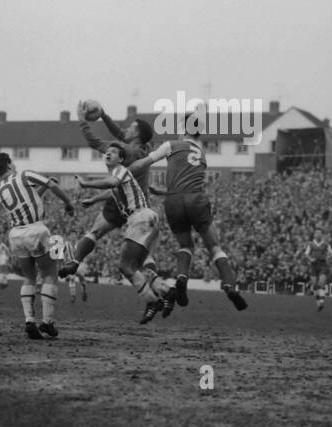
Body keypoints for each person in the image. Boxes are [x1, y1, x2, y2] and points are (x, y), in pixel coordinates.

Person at [127, 136, 247, 311]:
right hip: (196, 199)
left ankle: (182, 278)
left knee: (185, 245)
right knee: (214, 247)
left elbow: (144, 163)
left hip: (173, 201)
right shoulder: (202, 154)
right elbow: (191, 182)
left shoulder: (172, 145)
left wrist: (123, 174)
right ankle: (229, 286)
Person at [59, 102, 160, 280]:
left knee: (95, 232)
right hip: (141, 206)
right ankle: (159, 288)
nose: (125, 130)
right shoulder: (143, 149)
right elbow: (121, 134)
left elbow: (94, 142)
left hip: (120, 203)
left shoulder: (125, 151)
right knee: (143, 255)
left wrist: (82, 120)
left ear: (136, 134)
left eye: (130, 128)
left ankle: (75, 261)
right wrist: (104, 115)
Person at [76, 141, 174, 324]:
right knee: (137, 265)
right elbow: (112, 191)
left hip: (140, 218)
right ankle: (167, 291)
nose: (108, 153)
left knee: (125, 266)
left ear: (120, 159)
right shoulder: (121, 177)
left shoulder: (120, 170)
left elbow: (112, 183)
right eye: (107, 151)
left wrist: (86, 183)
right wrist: (94, 200)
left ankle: (153, 301)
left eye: (113, 152)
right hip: (149, 218)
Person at [0, 153, 75, 339]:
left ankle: (29, 320)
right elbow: (52, 184)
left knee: (28, 278)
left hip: (16, 235)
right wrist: (68, 203)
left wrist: (41, 191)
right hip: (35, 230)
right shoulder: (24, 174)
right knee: (49, 275)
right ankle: (47, 322)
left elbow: (27, 201)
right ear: (9, 165)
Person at [50, 233, 88, 302]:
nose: (73, 236)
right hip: (71, 264)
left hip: (80, 264)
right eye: (72, 235)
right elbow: (61, 252)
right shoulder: (66, 244)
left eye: (74, 235)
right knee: (72, 278)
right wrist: (60, 259)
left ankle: (84, 291)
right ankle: (73, 296)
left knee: (81, 279)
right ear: (69, 237)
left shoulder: (80, 243)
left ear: (76, 236)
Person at [304, 230, 332, 311]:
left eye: (319, 234)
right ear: (314, 235)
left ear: (321, 235)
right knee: (314, 285)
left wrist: (327, 258)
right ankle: (318, 303)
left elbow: (331, 253)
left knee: (321, 282)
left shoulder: (325, 244)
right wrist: (310, 259)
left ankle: (321, 301)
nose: (318, 235)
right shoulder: (311, 244)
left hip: (322, 264)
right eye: (316, 233)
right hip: (313, 265)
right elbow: (306, 254)